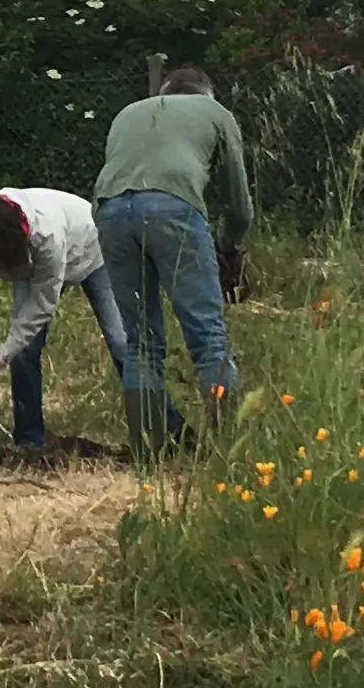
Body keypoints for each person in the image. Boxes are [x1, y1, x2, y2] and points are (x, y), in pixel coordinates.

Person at [92, 65, 249, 444]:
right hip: (173, 209)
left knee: (140, 342)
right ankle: (233, 446)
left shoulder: (128, 112)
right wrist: (229, 250)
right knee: (208, 336)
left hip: (109, 211)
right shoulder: (216, 114)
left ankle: (149, 450)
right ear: (206, 95)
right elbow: (240, 207)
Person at [0, 189, 129, 453]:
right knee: (25, 353)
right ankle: (30, 442)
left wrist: (1, 357)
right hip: (29, 256)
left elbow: (42, 306)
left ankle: (162, 430)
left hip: (92, 246)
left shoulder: (48, 236)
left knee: (123, 343)